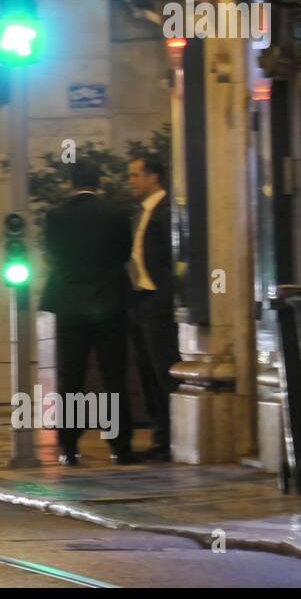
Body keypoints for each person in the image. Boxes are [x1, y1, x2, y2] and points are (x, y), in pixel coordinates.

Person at [37, 159, 138, 466]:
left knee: (71, 377)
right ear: (100, 182)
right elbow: (124, 253)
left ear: (70, 183)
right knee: (114, 376)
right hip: (108, 303)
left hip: (69, 305)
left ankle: (68, 445)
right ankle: (119, 446)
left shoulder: (56, 216)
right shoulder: (117, 215)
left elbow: (52, 254)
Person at [127, 155, 180, 462]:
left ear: (153, 177)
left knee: (164, 373)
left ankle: (172, 437)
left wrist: (165, 297)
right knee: (146, 374)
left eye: (136, 175)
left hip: (159, 303)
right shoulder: (139, 213)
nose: (131, 181)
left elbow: (174, 263)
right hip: (140, 302)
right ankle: (160, 438)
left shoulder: (166, 212)